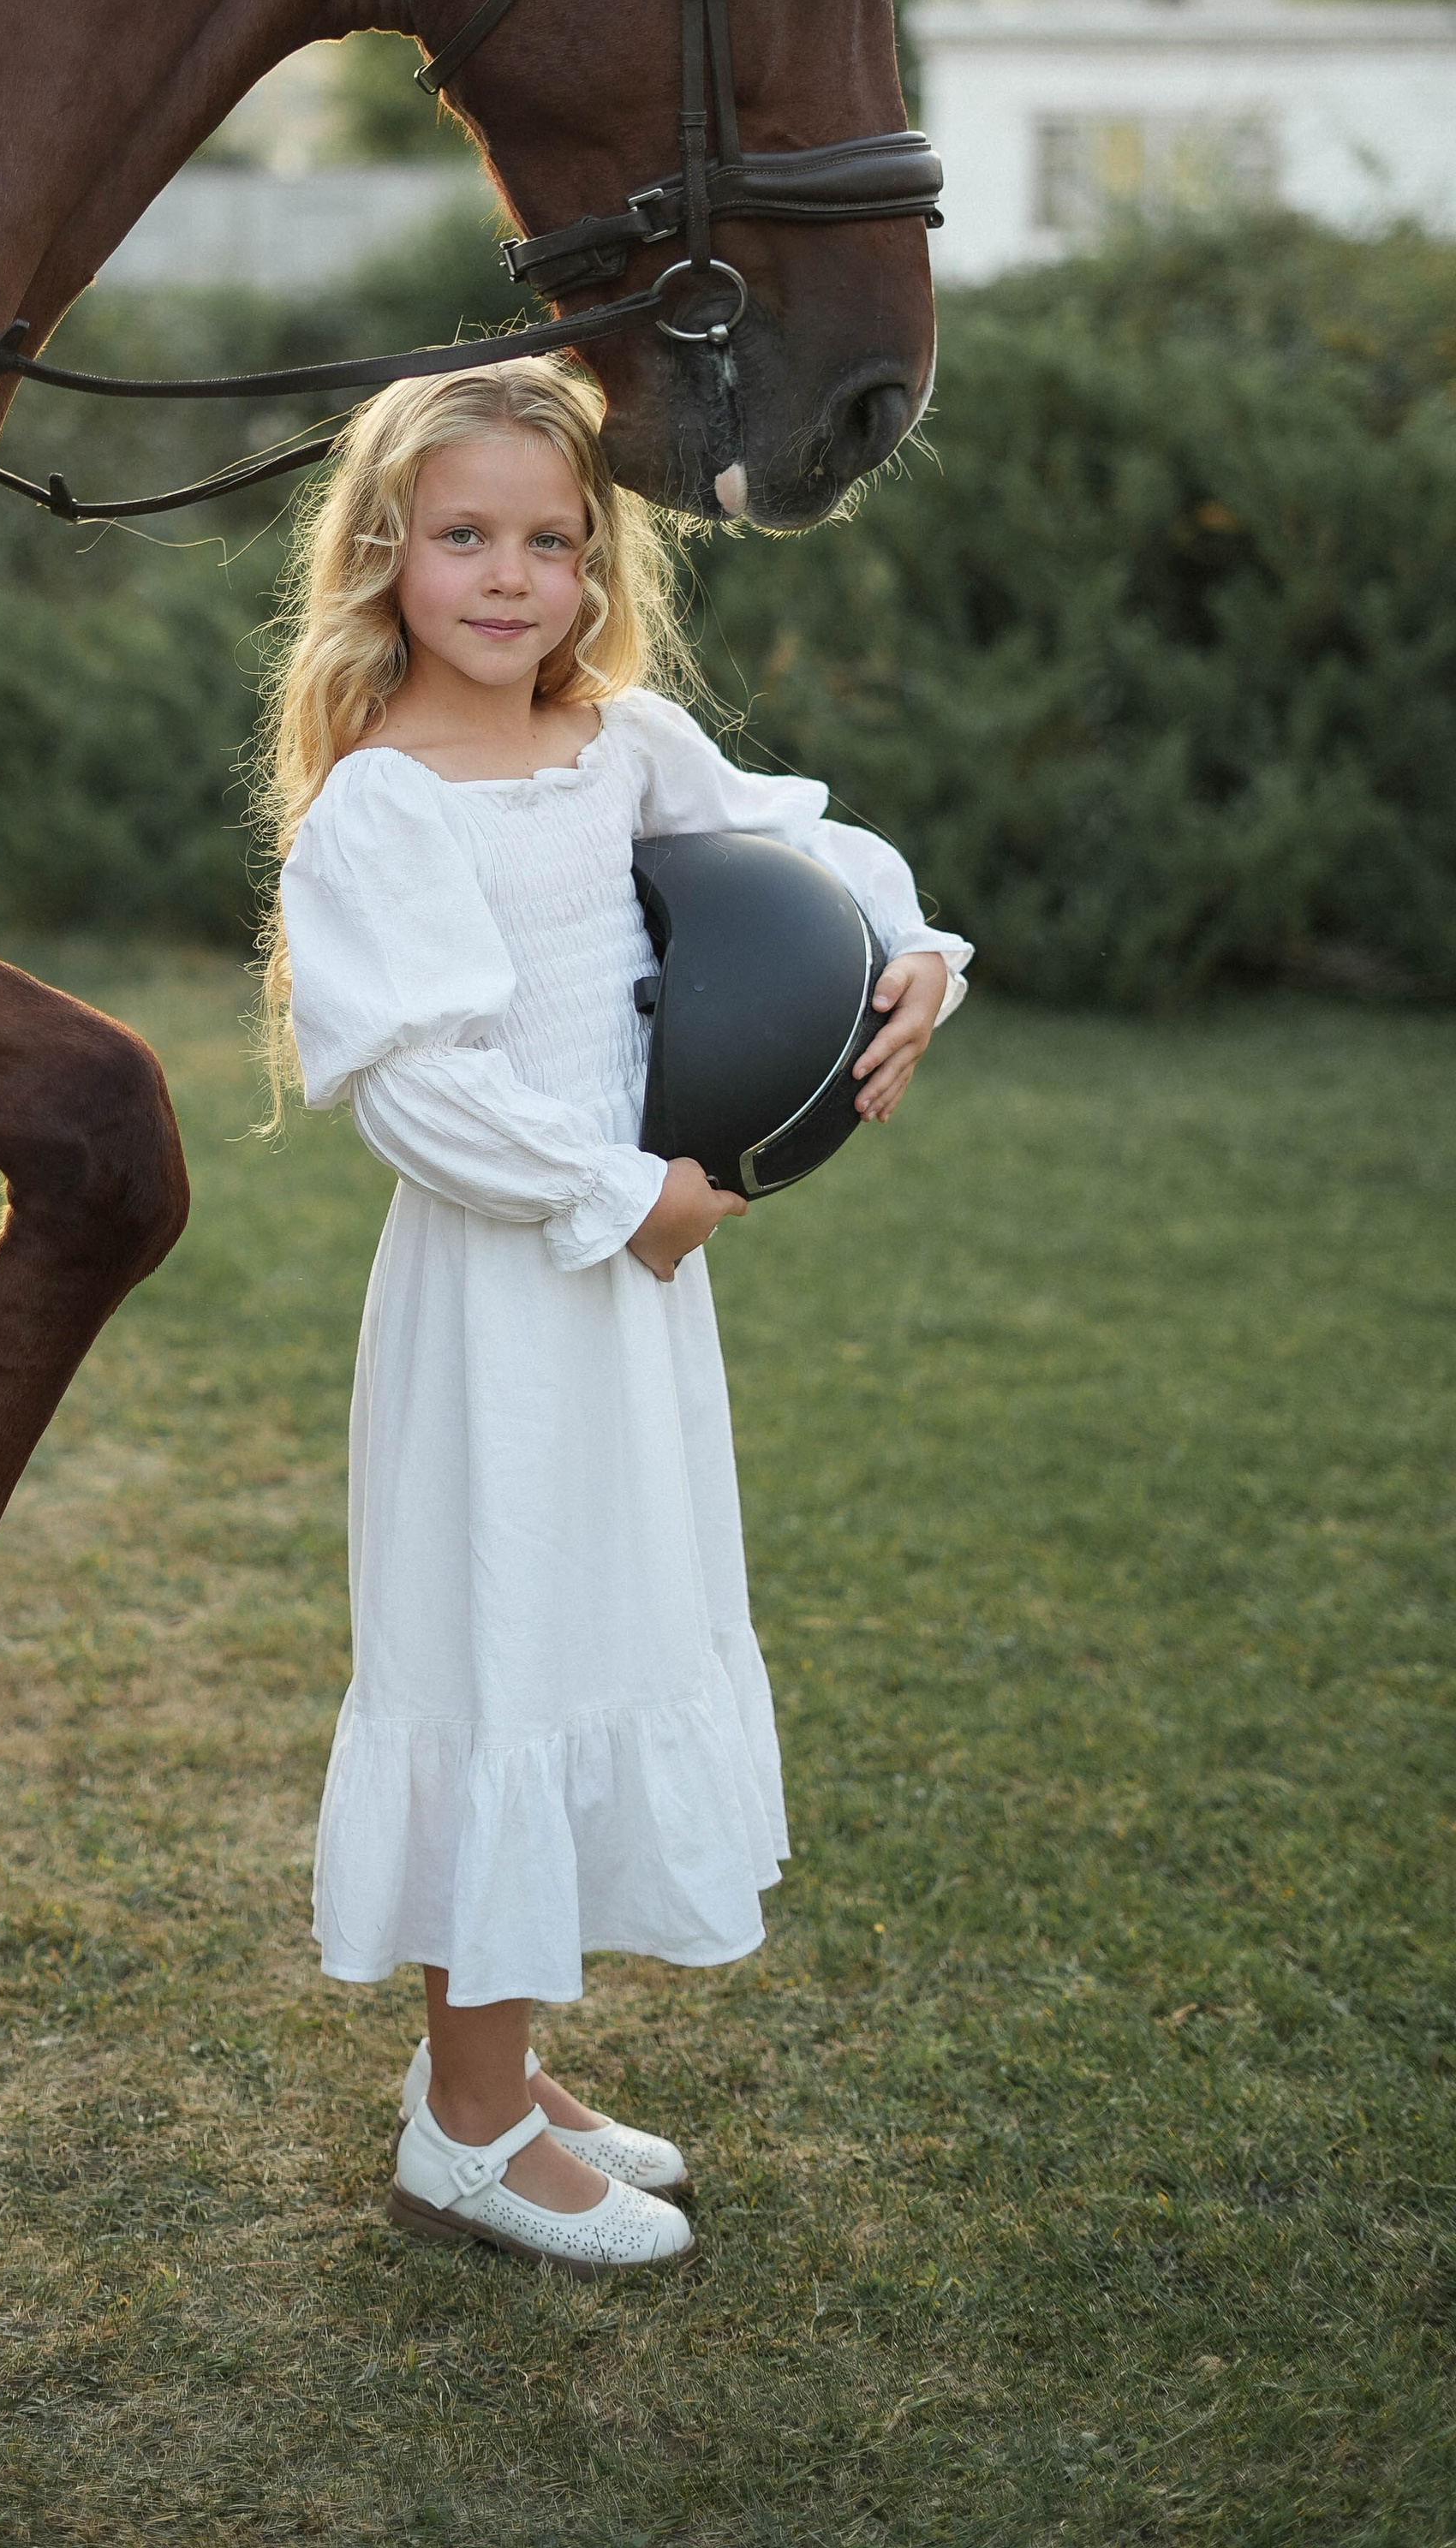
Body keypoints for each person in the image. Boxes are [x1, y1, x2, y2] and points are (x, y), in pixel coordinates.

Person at [263, 356, 971, 2272]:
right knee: (499, 1648)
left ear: (595, 563)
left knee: (590, 1631)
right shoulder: (378, 814)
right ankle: (467, 2134)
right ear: (385, 555)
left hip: (631, 1294)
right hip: (510, 1293)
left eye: (551, 539)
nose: (510, 576)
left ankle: (485, 2070)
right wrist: (617, 1195)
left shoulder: (621, 744)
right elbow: (410, 1086)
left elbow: (799, 843)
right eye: (465, 536)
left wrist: (909, 954)